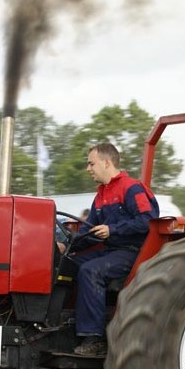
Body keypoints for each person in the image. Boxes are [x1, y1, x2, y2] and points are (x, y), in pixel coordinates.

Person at [70, 143, 159, 356]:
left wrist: (113, 230)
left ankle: (95, 338)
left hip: (132, 252)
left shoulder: (132, 188)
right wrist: (66, 244)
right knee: (66, 264)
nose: (88, 169)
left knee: (91, 271)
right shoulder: (101, 195)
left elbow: (148, 220)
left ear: (107, 162)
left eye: (91, 164)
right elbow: (88, 231)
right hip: (110, 252)